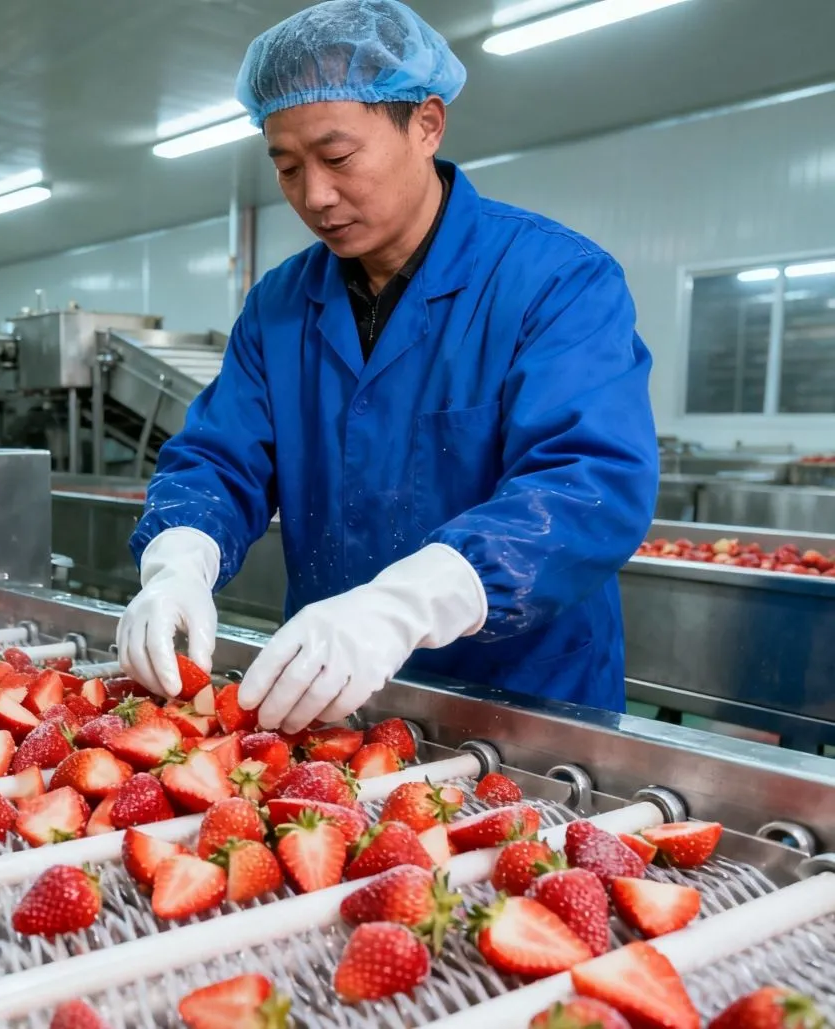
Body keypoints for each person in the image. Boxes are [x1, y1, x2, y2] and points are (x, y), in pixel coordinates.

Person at [116, 0, 658, 733]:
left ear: (427, 124)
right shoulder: (280, 305)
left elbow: (588, 482)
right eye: (287, 168)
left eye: (338, 158)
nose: (315, 196)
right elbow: (219, 457)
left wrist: (405, 603)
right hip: (333, 707)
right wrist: (179, 558)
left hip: (524, 711)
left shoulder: (553, 281)